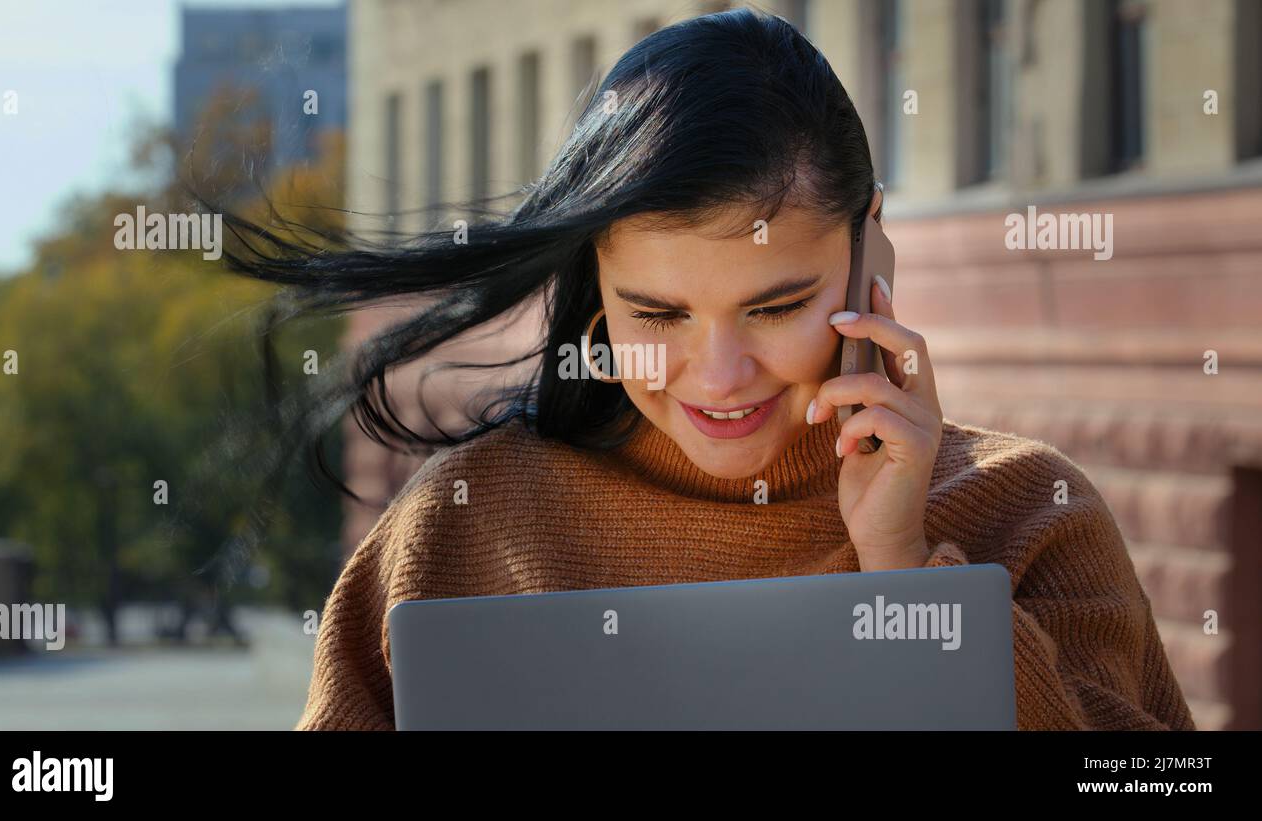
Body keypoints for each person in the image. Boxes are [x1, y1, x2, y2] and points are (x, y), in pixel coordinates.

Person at [221, 8, 1194, 730]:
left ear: (871, 250)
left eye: (774, 307)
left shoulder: (1033, 514)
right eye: (658, 312)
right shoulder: (460, 522)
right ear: (593, 281)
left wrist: (902, 570)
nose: (719, 374)